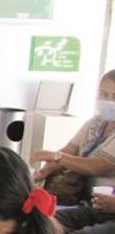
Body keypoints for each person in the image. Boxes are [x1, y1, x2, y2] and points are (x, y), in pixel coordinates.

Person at [30, 71, 115, 206]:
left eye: (114, 97)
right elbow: (70, 150)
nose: (108, 101)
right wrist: (42, 172)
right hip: (79, 194)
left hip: (104, 203)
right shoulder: (95, 122)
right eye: (103, 94)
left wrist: (56, 156)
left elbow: (97, 166)